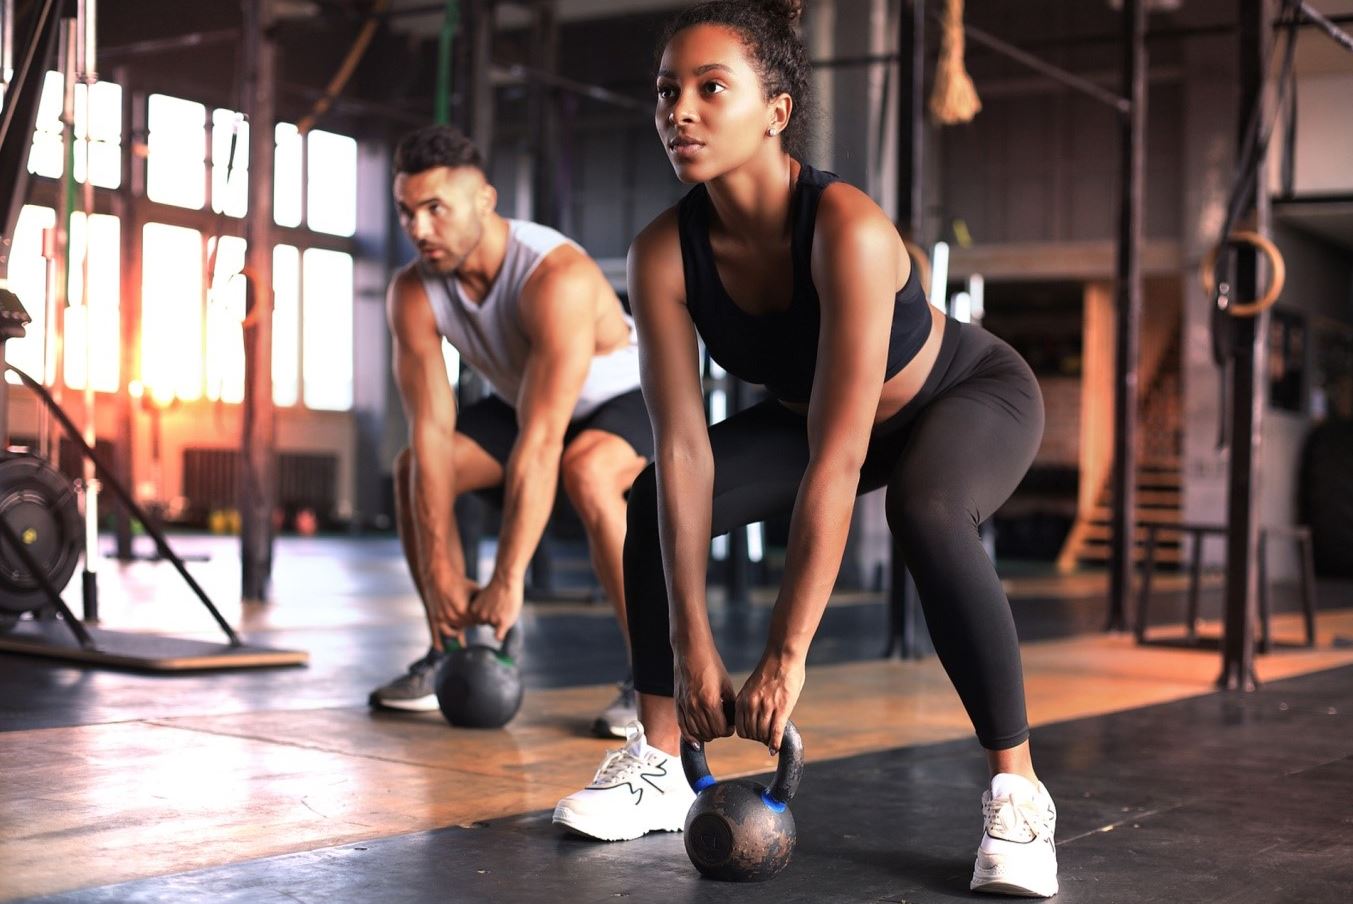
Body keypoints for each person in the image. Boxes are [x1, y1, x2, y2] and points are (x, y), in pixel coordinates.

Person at [551, 2, 1058, 896]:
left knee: (927, 512)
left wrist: (785, 656)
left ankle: (1017, 791)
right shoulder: (664, 252)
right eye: (668, 90)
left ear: (775, 112)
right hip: (810, 415)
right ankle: (661, 759)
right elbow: (684, 449)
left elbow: (838, 457)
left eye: (712, 89)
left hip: (963, 394)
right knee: (645, 495)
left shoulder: (847, 229)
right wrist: (691, 641)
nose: (680, 111)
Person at [373, 125, 650, 740]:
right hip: (523, 403)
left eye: (435, 209)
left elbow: (542, 441)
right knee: (412, 466)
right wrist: (444, 571)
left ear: (484, 201)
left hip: (623, 398)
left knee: (587, 469)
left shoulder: (555, 277)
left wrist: (507, 580)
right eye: (406, 211)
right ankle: (446, 648)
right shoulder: (414, 291)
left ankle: (653, 677)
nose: (418, 229)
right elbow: (429, 433)